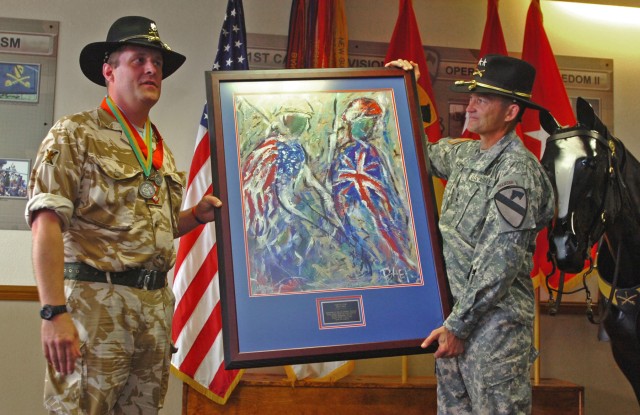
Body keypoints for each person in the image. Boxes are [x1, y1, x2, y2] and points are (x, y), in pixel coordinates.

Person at [25, 16, 222, 414]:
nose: (152, 69)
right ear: (108, 70)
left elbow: (152, 230)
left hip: (152, 311)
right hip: (95, 311)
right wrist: (53, 312)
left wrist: (195, 216)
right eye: (139, 59)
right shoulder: (74, 133)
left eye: (158, 63)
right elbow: (45, 224)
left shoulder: (159, 148)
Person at [387, 55, 555, 414]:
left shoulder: (516, 172)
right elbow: (415, 153)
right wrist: (406, 90)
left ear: (510, 113)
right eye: (472, 96)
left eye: (483, 99)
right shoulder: (466, 155)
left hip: (493, 334)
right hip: (454, 325)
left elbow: (501, 260)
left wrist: (459, 327)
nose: (471, 106)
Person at [330, 97, 419, 285]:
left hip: (382, 212)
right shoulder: (345, 154)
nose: (368, 127)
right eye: (364, 122)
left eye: (372, 122)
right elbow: (342, 188)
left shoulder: (373, 151)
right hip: (359, 213)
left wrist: (392, 207)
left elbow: (386, 185)